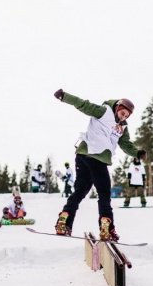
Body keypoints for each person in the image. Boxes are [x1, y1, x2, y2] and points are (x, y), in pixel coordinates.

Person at [53, 89, 143, 241]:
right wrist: (64, 96)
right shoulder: (104, 111)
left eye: (127, 116)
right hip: (96, 158)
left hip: (82, 157)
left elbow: (126, 144)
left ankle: (64, 220)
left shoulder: (122, 127)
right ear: (117, 107)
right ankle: (106, 227)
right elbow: (83, 104)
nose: (123, 117)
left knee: (80, 191)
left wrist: (137, 153)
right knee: (104, 193)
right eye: (122, 113)